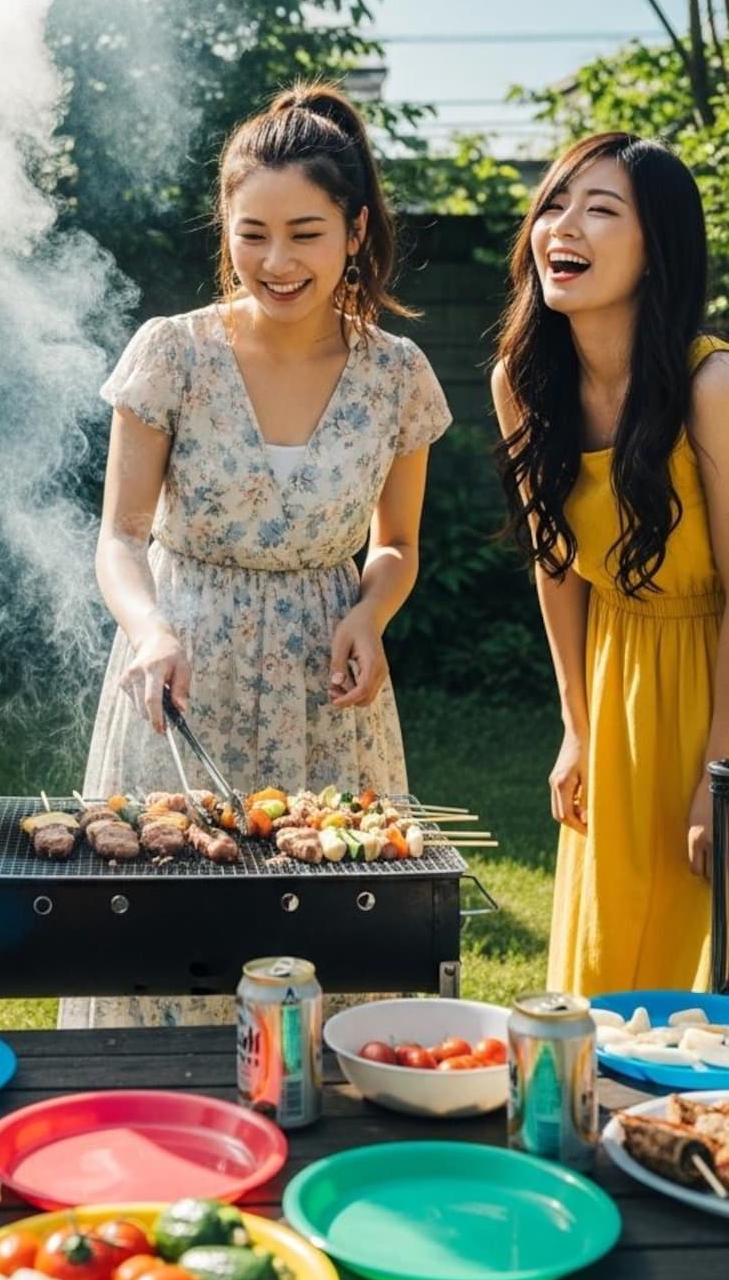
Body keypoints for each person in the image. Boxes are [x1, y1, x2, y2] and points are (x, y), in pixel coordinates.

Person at [62, 83, 451, 1026]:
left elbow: (395, 545)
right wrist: (150, 627)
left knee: (333, 947)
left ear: (355, 230)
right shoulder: (172, 354)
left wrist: (371, 611)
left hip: (328, 695)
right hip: (182, 678)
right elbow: (120, 533)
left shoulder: (399, 374)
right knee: (159, 945)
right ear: (226, 227)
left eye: (306, 232)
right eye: (252, 232)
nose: (276, 261)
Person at [491, 133, 729, 996]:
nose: (566, 226)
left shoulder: (712, 388)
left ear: (656, 247)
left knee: (700, 977)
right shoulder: (522, 380)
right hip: (617, 674)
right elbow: (558, 566)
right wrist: (578, 725)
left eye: (601, 209)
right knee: (601, 974)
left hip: (719, 686)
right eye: (555, 203)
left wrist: (721, 775)